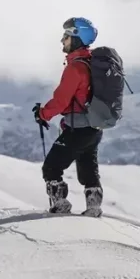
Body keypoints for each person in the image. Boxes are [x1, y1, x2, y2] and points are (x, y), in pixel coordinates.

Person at [33, 17, 104, 217]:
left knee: (51, 168)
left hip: (77, 130)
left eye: (66, 36)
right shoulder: (92, 63)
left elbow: (61, 100)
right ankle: (94, 207)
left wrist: (42, 114)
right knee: (88, 169)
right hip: (94, 129)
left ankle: (61, 205)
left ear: (76, 38)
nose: (62, 40)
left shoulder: (75, 68)